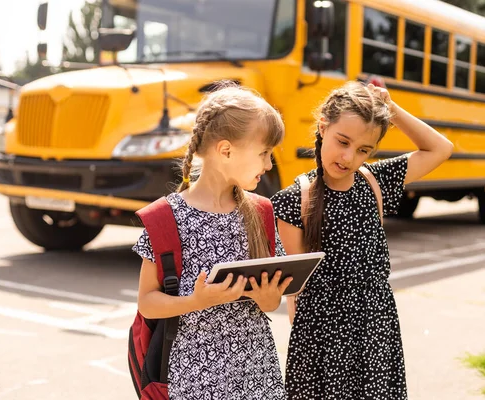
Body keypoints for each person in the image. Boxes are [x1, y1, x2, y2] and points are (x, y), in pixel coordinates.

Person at [271, 81, 454, 399]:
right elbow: (294, 290)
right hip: (322, 337)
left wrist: (390, 109)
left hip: (376, 329)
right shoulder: (293, 200)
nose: (348, 156)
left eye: (363, 150)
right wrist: (307, 354)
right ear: (322, 126)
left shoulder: (376, 180)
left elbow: (440, 148)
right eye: (342, 141)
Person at [132, 83, 292, 399]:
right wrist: (195, 302)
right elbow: (146, 302)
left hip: (256, 376)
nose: (269, 165)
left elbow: (271, 304)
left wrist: (268, 298)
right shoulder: (167, 218)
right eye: (264, 153)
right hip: (193, 380)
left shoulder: (261, 212)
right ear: (226, 150)